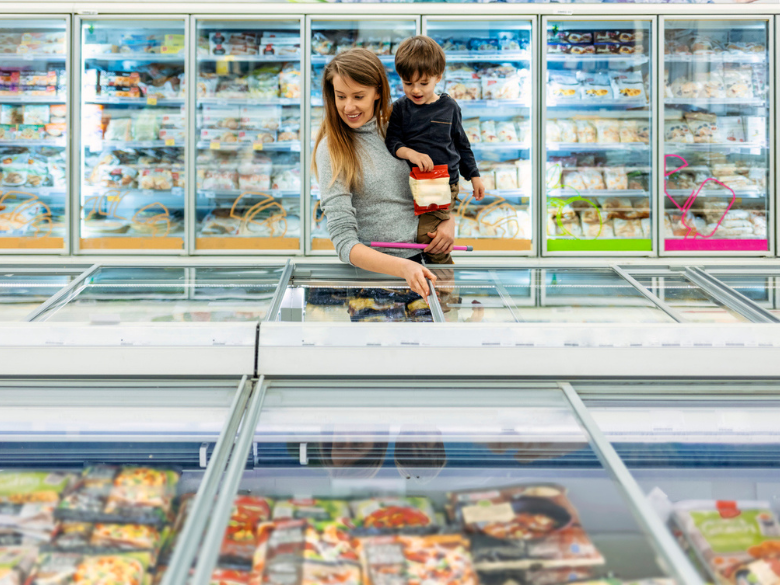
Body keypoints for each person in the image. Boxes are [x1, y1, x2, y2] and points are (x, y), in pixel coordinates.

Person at [313, 48, 454, 298]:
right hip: (372, 281)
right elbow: (344, 242)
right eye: (341, 96)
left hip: (427, 266)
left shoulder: (401, 129)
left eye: (358, 96)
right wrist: (403, 267)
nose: (348, 106)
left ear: (378, 91)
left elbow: (437, 178)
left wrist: (447, 219)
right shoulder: (332, 149)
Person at [385, 35, 485, 265]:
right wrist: (410, 153)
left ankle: (444, 291)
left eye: (423, 83)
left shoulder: (449, 107)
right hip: (410, 184)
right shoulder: (400, 108)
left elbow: (462, 144)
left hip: (442, 184)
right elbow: (392, 142)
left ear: (438, 77)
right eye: (408, 83)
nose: (416, 90)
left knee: (429, 239)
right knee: (412, 236)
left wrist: (475, 176)